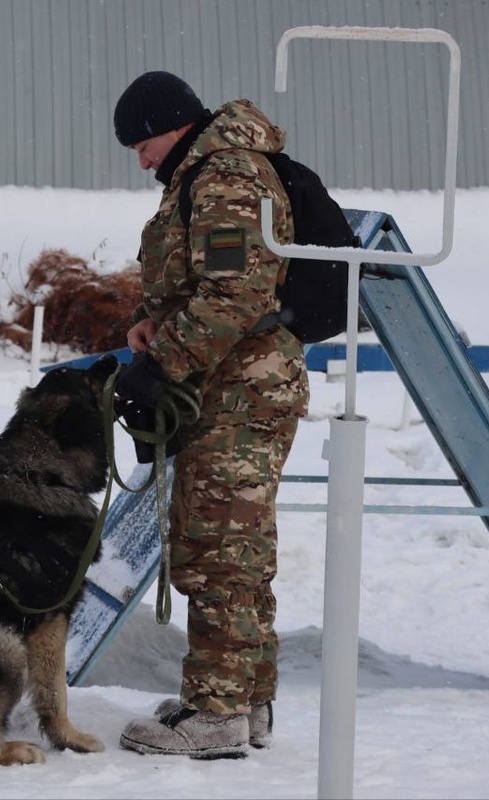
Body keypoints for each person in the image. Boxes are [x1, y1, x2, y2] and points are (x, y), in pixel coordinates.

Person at [110, 71, 309, 759]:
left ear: (175, 123)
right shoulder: (206, 172)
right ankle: (243, 700)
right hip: (234, 385)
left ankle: (218, 713)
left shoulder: (224, 175)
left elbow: (234, 297)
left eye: (143, 141)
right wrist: (149, 325)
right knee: (239, 551)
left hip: (240, 390)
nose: (139, 157)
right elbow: (198, 282)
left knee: (219, 552)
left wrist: (160, 364)